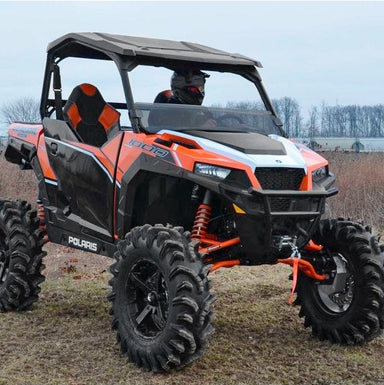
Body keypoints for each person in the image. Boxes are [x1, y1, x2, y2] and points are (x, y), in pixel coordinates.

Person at [148, 70, 214, 128]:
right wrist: (202, 127)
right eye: (196, 89)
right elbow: (174, 129)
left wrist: (214, 123)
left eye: (201, 88)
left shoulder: (203, 111)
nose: (199, 92)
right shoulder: (170, 107)